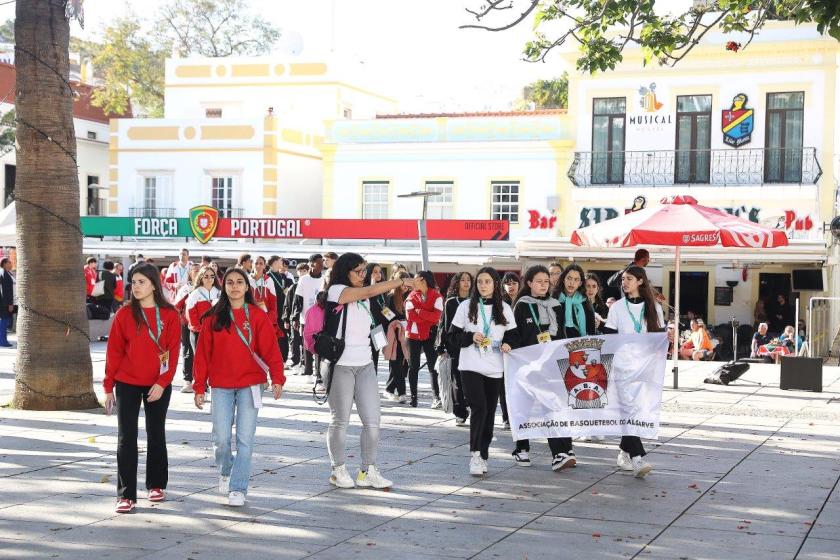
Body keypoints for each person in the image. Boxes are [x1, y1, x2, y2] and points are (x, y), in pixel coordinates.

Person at [193, 267, 285, 507]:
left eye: (240, 282)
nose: (235, 286)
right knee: (221, 438)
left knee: (245, 439)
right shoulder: (213, 318)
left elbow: (271, 350)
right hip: (221, 386)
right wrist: (199, 386)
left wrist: (277, 377)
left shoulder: (257, 316)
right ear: (224, 287)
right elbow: (202, 355)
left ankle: (238, 487)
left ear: (247, 287)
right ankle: (225, 471)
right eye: (230, 282)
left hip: (251, 384)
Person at [322, 253, 414, 489]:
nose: (363, 276)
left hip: (365, 364)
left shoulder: (367, 298)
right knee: (339, 421)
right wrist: (397, 281)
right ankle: (338, 469)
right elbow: (366, 292)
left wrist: (391, 328)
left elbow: (378, 318)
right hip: (341, 364)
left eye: (365, 271)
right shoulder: (337, 291)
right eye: (359, 271)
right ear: (345, 271)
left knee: (373, 421)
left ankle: (368, 470)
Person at [103, 263, 181, 513]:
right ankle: (126, 495)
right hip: (127, 382)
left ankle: (156, 484)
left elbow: (173, 351)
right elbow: (113, 352)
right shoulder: (125, 314)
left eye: (141, 282)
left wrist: (162, 382)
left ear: (154, 285)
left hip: (158, 383)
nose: (135, 287)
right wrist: (108, 387)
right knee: (127, 437)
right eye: (133, 282)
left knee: (156, 433)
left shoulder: (170, 314)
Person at [449, 267, 516, 476]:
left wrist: (508, 344)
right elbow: (451, 338)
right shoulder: (466, 307)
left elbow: (514, 336)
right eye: (480, 282)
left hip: (495, 367)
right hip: (470, 365)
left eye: (487, 281)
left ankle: (484, 453)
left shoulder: (504, 308)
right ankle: (475, 455)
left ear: (495, 284)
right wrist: (470, 337)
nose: (483, 285)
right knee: (478, 407)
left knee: (488, 412)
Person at [602, 265, 664, 479]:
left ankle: (623, 451)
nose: (624, 282)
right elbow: (608, 337)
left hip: (645, 368)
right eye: (623, 279)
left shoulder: (654, 307)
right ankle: (637, 458)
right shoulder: (617, 308)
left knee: (636, 411)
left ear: (640, 281)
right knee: (629, 410)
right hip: (622, 367)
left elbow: (659, 338)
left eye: (629, 278)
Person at [507, 265, 562, 468]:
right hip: (526, 366)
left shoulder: (556, 305)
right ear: (529, 283)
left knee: (551, 408)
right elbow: (515, 335)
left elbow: (561, 335)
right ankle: (521, 448)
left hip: (549, 365)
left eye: (546, 281)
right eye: (539, 281)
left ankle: (558, 453)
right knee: (524, 408)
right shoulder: (521, 305)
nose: (543, 285)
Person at [438, 271, 473, 425]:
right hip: (456, 346)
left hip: (474, 345)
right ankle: (460, 411)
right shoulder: (451, 302)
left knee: (471, 379)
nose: (466, 282)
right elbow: (445, 326)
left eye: (469, 280)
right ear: (457, 283)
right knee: (457, 381)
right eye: (463, 280)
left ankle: (470, 404)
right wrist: (443, 347)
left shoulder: (475, 301)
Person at [405, 270, 444, 408]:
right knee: (413, 366)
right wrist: (428, 316)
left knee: (433, 366)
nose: (412, 283)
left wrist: (420, 311)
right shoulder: (411, 296)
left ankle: (437, 397)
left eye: (415, 280)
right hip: (413, 335)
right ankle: (413, 397)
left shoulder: (437, 296)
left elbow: (436, 317)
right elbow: (410, 316)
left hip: (430, 335)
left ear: (423, 280)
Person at [184, 266, 220, 384]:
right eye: (206, 276)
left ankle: (212, 383)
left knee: (214, 359)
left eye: (212, 276)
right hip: (198, 332)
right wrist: (197, 327)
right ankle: (200, 384)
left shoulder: (219, 292)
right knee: (200, 359)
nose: (209, 278)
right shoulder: (196, 293)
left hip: (215, 332)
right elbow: (190, 312)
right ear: (201, 277)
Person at [383, 271, 412, 403]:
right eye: (403, 282)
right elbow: (385, 312)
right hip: (394, 333)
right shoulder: (390, 296)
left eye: (407, 282)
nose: (405, 285)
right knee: (396, 361)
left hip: (408, 333)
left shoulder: (410, 295)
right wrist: (398, 321)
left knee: (404, 363)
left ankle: (389, 389)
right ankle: (402, 392)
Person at [296, 254, 325, 379]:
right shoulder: (304, 280)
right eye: (319, 262)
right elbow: (298, 300)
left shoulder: (324, 279)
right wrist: (294, 317)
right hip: (306, 319)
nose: (322, 264)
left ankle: (319, 374)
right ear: (312, 264)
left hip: (321, 319)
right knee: (307, 346)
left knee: (319, 346)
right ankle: (308, 372)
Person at [499, 271, 521, 430]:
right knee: (504, 384)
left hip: (522, 349)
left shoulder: (524, 302)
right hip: (505, 349)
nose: (511, 286)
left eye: (514, 283)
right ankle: (506, 416)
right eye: (508, 283)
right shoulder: (500, 304)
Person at [363, 262, 390, 372]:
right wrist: (372, 288)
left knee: (375, 356)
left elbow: (385, 309)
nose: (378, 274)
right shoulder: (364, 288)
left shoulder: (383, 289)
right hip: (366, 328)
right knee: (367, 357)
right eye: (375, 272)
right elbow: (370, 305)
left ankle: (373, 380)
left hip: (379, 328)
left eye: (379, 272)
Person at [268, 255, 294, 361]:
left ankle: (283, 359)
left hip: (283, 311)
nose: (282, 263)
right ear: (274, 262)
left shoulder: (283, 276)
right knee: (271, 336)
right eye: (280, 261)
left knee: (283, 335)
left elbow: (291, 288)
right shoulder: (267, 276)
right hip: (272, 311)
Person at [284, 262, 309, 372]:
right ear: (297, 272)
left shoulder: (310, 286)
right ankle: (295, 362)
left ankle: (305, 362)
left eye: (304, 270)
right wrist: (286, 318)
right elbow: (287, 304)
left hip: (307, 318)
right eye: (300, 271)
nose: (302, 273)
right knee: (294, 340)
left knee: (305, 341)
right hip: (295, 318)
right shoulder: (293, 287)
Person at [0, 259, 14, 347]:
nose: (11, 265)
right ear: (4, 264)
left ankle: (3, 340)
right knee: (4, 322)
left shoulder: (7, 273)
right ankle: (3, 341)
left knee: (5, 321)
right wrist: (10, 304)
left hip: (5, 302)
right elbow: (5, 291)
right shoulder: (3, 273)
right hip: (4, 303)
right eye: (9, 263)